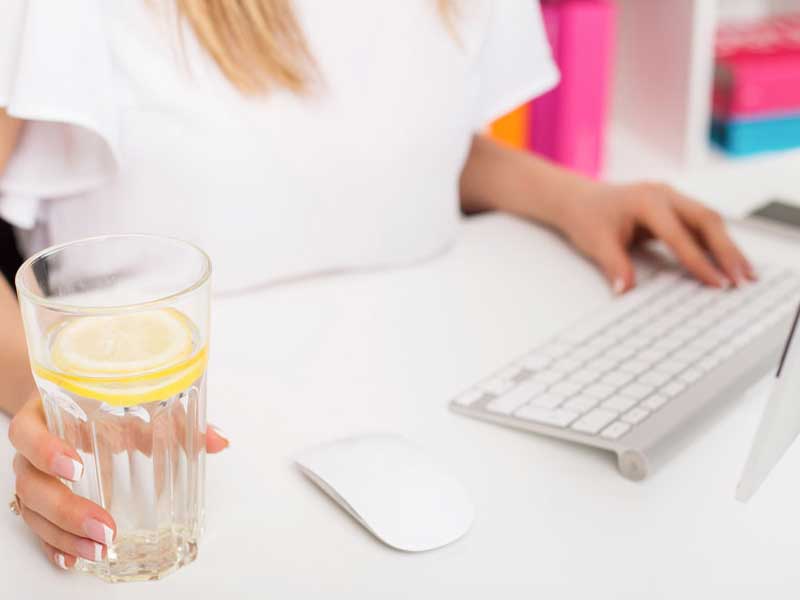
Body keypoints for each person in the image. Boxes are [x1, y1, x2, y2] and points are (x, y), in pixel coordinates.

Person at [1, 0, 753, 571]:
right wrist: (41, 398)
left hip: (444, 420)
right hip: (162, 476)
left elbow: (394, 154)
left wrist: (578, 200)